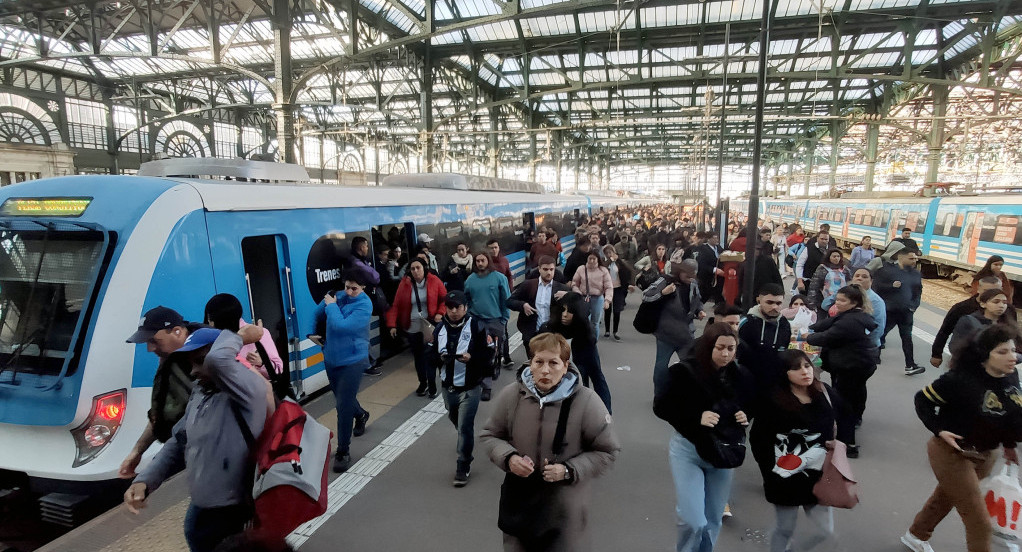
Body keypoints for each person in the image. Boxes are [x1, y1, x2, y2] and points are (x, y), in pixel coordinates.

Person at [124, 325, 268, 552]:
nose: (193, 371)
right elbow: (179, 440)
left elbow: (219, 360)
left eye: (200, 361)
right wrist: (145, 480)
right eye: (191, 363)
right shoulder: (201, 392)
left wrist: (237, 337)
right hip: (203, 507)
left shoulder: (247, 389)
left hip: (233, 509)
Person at [480, 332, 620, 552]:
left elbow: (607, 451)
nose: (545, 370)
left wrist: (568, 470)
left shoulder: (587, 401)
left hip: (564, 510)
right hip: (520, 503)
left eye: (553, 363)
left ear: (565, 366)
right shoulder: (512, 396)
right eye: (539, 362)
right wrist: (509, 458)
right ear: (530, 363)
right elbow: (490, 435)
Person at [903, 324, 1022, 552]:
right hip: (952, 452)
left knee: (947, 497)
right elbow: (923, 401)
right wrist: (939, 429)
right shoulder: (958, 381)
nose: (1013, 357)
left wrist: (1008, 445)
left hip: (987, 453)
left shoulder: (1010, 375)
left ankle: (916, 534)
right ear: (984, 355)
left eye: (1013, 350)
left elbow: (1009, 412)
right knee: (980, 521)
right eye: (1002, 352)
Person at [653, 323, 754, 552]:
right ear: (708, 346)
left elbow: (751, 404)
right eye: (720, 347)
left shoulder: (741, 376)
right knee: (693, 520)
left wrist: (744, 414)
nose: (726, 354)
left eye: (731, 348)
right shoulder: (683, 372)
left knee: (713, 519)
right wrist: (695, 417)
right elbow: (662, 407)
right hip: (688, 449)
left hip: (724, 451)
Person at [750, 349, 854, 552]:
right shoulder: (772, 401)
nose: (805, 372)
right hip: (784, 478)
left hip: (819, 477)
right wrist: (770, 472)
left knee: (825, 531)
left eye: (807, 365)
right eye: (795, 368)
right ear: (784, 373)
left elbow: (846, 416)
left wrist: (840, 444)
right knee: (785, 528)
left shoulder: (824, 393)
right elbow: (759, 440)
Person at [120, 306, 202, 479]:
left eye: (154, 341)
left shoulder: (205, 362)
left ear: (177, 332)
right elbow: (162, 413)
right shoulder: (170, 362)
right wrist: (138, 451)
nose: (150, 348)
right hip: (186, 452)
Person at [806, 285, 878, 457]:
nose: (837, 303)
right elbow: (828, 323)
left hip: (850, 367)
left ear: (853, 303)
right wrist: (814, 326)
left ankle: (848, 444)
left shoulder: (849, 321)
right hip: (861, 365)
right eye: (837, 299)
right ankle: (855, 420)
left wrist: (807, 336)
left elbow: (827, 336)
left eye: (842, 300)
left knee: (844, 404)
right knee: (857, 396)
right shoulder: (856, 315)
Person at [432, 290, 495, 487]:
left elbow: (488, 358)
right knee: (455, 418)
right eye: (450, 307)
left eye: (458, 307)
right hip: (448, 386)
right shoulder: (439, 329)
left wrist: (472, 358)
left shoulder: (477, 327)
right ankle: (464, 440)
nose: (454, 311)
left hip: (470, 387)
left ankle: (463, 464)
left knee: (465, 427)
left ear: (465, 308)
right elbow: (429, 357)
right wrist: (438, 358)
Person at [315, 270, 374, 472]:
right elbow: (316, 314)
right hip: (331, 357)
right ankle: (361, 414)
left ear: (363, 287)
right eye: (346, 287)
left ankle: (343, 451)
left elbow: (341, 326)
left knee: (342, 406)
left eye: (354, 288)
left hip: (353, 360)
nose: (348, 292)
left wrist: (331, 306)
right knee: (343, 398)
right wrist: (326, 302)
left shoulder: (365, 305)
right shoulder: (339, 296)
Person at [540, 292, 612, 413]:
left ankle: (603, 411)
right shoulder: (550, 328)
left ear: (578, 312)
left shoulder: (586, 334)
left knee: (595, 376)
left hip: (580, 372)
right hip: (556, 385)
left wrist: (606, 412)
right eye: (563, 310)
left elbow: (596, 377)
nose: (564, 315)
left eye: (569, 311)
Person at [643, 259, 706, 397]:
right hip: (667, 333)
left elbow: (698, 300)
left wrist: (699, 310)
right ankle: (659, 395)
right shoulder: (666, 281)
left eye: (693, 276)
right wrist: (663, 293)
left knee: (691, 366)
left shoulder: (693, 284)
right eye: (687, 276)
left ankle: (686, 394)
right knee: (661, 366)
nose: (690, 279)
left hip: (687, 333)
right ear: (680, 272)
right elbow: (646, 295)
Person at [387, 257, 447, 398]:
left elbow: (445, 299)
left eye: (418, 268)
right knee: (418, 356)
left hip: (430, 324)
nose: (415, 271)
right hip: (412, 326)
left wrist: (440, 313)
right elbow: (396, 305)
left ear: (424, 268)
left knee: (432, 355)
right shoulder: (405, 283)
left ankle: (434, 384)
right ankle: (423, 382)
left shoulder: (434, 280)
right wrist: (392, 325)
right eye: (412, 269)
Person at [931, 276, 1018, 368]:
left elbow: (1014, 333)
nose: (992, 294)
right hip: (968, 363)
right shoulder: (962, 309)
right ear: (979, 289)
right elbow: (945, 331)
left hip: (999, 363)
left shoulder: (1009, 310)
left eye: (996, 291)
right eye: (987, 291)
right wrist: (936, 354)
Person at [464, 252, 511, 401]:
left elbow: (506, 299)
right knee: (483, 353)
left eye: (482, 260)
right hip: (477, 320)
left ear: (488, 261)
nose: (479, 263)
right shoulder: (470, 280)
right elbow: (467, 299)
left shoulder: (499, 278)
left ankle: (497, 362)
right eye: (477, 261)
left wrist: (504, 318)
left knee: (495, 349)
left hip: (495, 319)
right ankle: (486, 386)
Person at [875, 248, 925, 375]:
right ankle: (874, 357)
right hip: (890, 310)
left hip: (906, 311)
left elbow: (918, 291)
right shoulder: (887, 270)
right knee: (881, 333)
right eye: (911, 258)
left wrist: (914, 305)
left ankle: (910, 365)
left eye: (915, 258)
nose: (914, 261)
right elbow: (876, 286)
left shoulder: (915, 274)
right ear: (901, 258)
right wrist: (891, 286)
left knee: (907, 338)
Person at [508, 256, 570, 359]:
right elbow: (509, 301)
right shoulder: (528, 285)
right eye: (545, 269)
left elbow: (580, 305)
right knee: (534, 365)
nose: (549, 272)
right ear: (539, 269)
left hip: (552, 335)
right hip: (532, 334)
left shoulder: (562, 288)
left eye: (551, 269)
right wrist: (523, 305)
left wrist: (568, 296)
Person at [738, 283, 792, 389]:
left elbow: (785, 349)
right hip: (748, 379)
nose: (774, 307)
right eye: (769, 302)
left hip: (775, 381)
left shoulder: (784, 324)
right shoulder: (746, 323)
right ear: (759, 300)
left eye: (778, 303)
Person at [949, 288, 1011, 359]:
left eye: (1005, 303)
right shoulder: (969, 321)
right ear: (983, 304)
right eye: (996, 302)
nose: (1001, 305)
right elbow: (955, 346)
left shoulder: (1008, 323)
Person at [571, 251, 613, 341]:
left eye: (594, 259)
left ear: (598, 259)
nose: (592, 261)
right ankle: (582, 341)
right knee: (582, 320)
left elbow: (609, 287)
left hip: (597, 299)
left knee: (594, 323)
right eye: (590, 258)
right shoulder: (581, 269)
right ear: (587, 259)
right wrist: (578, 293)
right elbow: (574, 283)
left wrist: (607, 300)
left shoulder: (603, 270)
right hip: (583, 298)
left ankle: (593, 342)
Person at [487, 239, 515, 367]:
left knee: (504, 329)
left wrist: (509, 290)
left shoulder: (504, 261)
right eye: (491, 248)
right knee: (491, 331)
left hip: (502, 301)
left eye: (496, 247)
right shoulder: (485, 263)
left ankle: (507, 357)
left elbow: (509, 276)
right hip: (489, 302)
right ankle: (494, 356)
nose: (494, 250)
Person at [602, 245, 635, 341]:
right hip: (607, 288)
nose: (609, 254)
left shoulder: (620, 262)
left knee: (617, 310)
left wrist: (631, 284)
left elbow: (630, 270)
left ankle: (615, 331)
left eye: (610, 252)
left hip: (618, 288)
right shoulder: (603, 261)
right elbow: (603, 268)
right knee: (607, 309)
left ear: (614, 252)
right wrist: (610, 260)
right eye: (607, 253)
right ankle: (607, 330)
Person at [808, 248, 851, 318]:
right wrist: (811, 303)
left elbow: (849, 282)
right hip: (824, 299)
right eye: (834, 256)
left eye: (838, 256)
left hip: (841, 300)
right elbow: (814, 285)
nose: (836, 258)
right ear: (829, 257)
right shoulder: (822, 268)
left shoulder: (845, 269)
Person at [850, 268, 886, 348]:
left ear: (871, 281)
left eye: (864, 277)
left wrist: (866, 344)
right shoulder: (846, 294)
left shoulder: (875, 300)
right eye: (857, 276)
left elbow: (878, 327)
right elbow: (825, 305)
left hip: (866, 346)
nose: (859, 278)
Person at [795, 231, 830, 296]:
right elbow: (800, 265)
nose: (824, 241)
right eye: (822, 239)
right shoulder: (809, 249)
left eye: (826, 239)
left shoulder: (831, 250)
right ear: (817, 238)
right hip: (808, 283)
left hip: (824, 285)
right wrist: (800, 281)